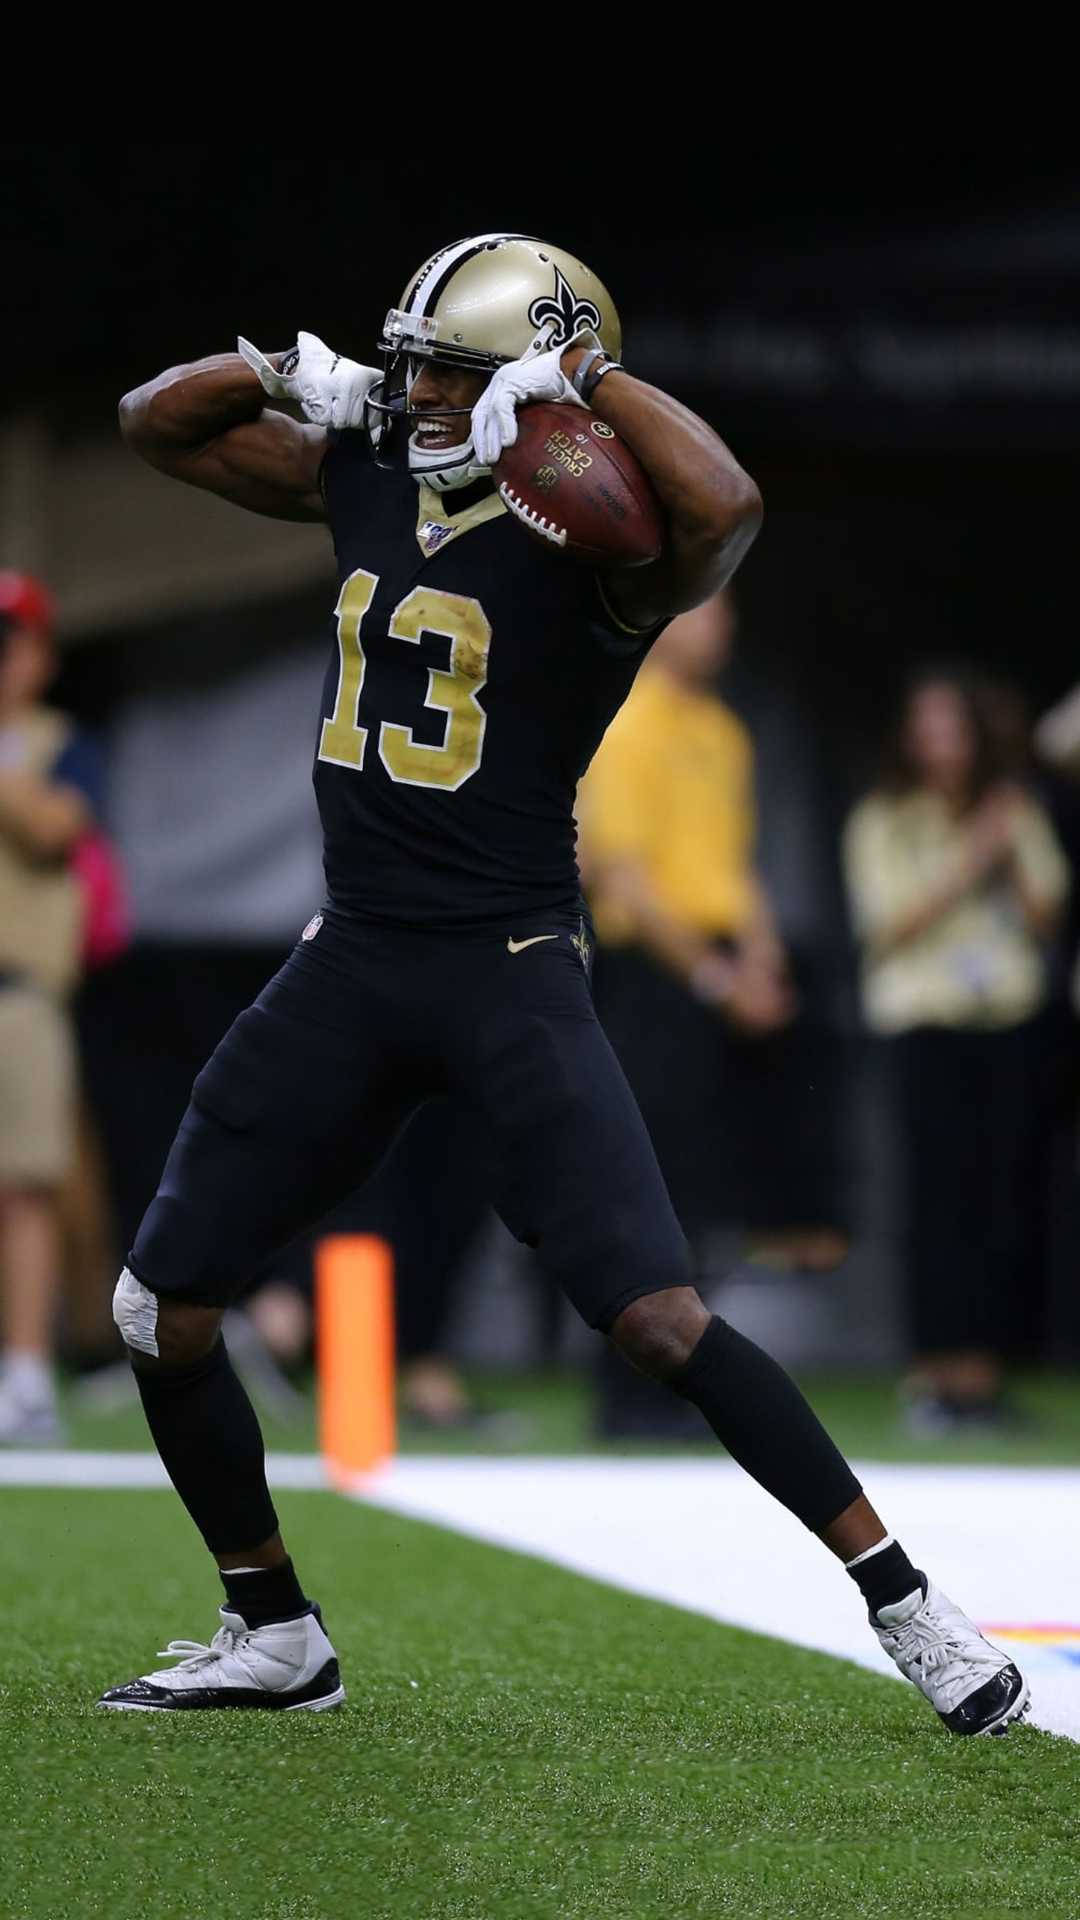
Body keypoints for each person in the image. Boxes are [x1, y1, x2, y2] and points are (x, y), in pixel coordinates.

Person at [101, 235, 1025, 1737]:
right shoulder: (365, 473)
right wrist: (290, 375)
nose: (414, 396)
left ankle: (907, 1602)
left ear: (530, 380)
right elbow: (158, 421)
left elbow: (726, 504)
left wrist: (583, 381)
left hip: (507, 966)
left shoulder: (596, 548)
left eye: (445, 372)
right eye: (408, 370)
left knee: (660, 1318)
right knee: (158, 1313)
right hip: (352, 956)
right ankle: (271, 1627)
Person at [844, 670, 1069, 1429]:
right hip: (925, 1024)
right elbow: (887, 925)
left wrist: (1008, 849)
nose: (938, 739)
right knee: (936, 1202)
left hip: (1004, 1018)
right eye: (925, 724)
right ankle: (934, 1373)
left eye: (951, 723)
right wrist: (974, 855)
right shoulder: (884, 817)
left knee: (998, 1202)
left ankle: (981, 1373)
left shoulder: (1012, 807)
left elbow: (1048, 916)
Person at [0, 571, 101, 1442]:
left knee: (26, 1185)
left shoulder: (59, 742)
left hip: (20, 991)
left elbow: (52, 829)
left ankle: (27, 1372)